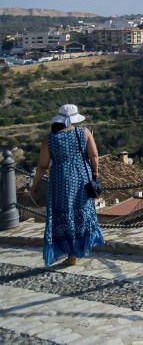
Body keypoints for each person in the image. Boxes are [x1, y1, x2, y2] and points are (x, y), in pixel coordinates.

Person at [29, 104, 105, 266]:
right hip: (81, 178)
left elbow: (42, 165)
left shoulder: (49, 139)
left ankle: (69, 252)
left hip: (60, 181)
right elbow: (94, 155)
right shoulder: (83, 132)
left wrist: (34, 185)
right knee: (81, 212)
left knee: (64, 214)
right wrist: (95, 174)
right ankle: (76, 252)